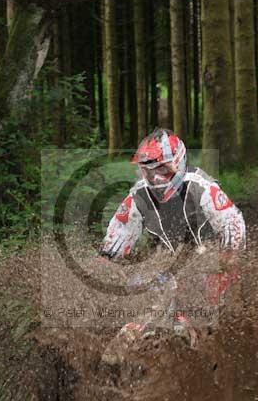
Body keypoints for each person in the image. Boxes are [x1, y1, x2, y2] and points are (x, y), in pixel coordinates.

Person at [99, 127, 246, 347]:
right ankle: (144, 332)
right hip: (169, 266)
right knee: (146, 282)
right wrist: (106, 265)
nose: (155, 178)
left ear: (178, 163)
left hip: (211, 263)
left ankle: (209, 339)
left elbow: (233, 225)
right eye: (148, 171)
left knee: (215, 302)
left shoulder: (202, 188)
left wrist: (226, 258)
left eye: (161, 170)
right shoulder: (138, 197)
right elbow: (115, 240)